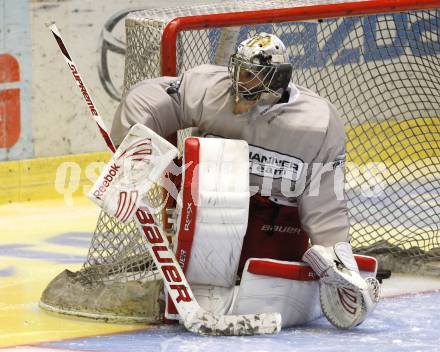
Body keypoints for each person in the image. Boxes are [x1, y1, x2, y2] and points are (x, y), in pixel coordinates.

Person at [111, 32, 379, 329]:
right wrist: (135, 154)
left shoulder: (318, 122)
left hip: (277, 219)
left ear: (277, 78)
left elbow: (325, 197)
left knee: (264, 296)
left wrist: (336, 254)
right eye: (240, 70)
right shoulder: (211, 89)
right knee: (214, 163)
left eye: (252, 75)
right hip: (213, 206)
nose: (241, 81)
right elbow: (147, 97)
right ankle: (199, 282)